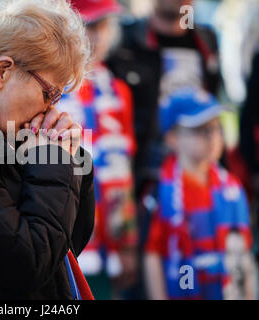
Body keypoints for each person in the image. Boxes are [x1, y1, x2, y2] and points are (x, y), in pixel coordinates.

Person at [0, 0, 95, 299]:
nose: (53, 107)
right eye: (50, 93)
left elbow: (67, 246)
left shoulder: (7, 131)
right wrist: (54, 160)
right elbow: (26, 265)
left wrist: (72, 159)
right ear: (1, 71)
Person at [58, 0, 138, 299]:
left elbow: (122, 172)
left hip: (111, 246)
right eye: (90, 26)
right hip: (63, 241)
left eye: (105, 25)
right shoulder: (46, 88)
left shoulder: (119, 91)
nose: (99, 36)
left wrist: (127, 241)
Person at [143, 88, 255, 300]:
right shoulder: (161, 192)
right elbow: (153, 255)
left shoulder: (233, 187)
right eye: (201, 129)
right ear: (172, 138)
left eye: (216, 127)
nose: (212, 136)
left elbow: (244, 254)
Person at [107, 0, 221, 201]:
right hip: (141, 178)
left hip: (199, 174)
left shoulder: (206, 41)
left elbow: (214, 103)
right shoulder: (124, 40)